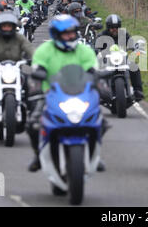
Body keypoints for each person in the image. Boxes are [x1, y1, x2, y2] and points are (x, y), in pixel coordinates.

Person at [26, 15, 108, 172]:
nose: (70, 36)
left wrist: (99, 81)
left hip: (81, 94)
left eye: (72, 32)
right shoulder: (44, 50)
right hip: (50, 95)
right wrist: (39, 74)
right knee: (34, 124)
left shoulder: (84, 50)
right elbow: (38, 67)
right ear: (56, 34)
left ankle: (94, 156)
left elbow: (92, 69)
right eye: (66, 33)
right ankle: (38, 156)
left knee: (99, 122)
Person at [96, 14, 144, 101]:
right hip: (107, 62)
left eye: (117, 27)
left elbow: (131, 41)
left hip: (122, 60)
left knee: (134, 66)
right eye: (112, 27)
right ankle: (98, 92)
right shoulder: (102, 35)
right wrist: (95, 50)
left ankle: (138, 91)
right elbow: (96, 46)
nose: (115, 29)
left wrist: (136, 47)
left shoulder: (123, 34)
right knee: (96, 69)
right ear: (108, 27)